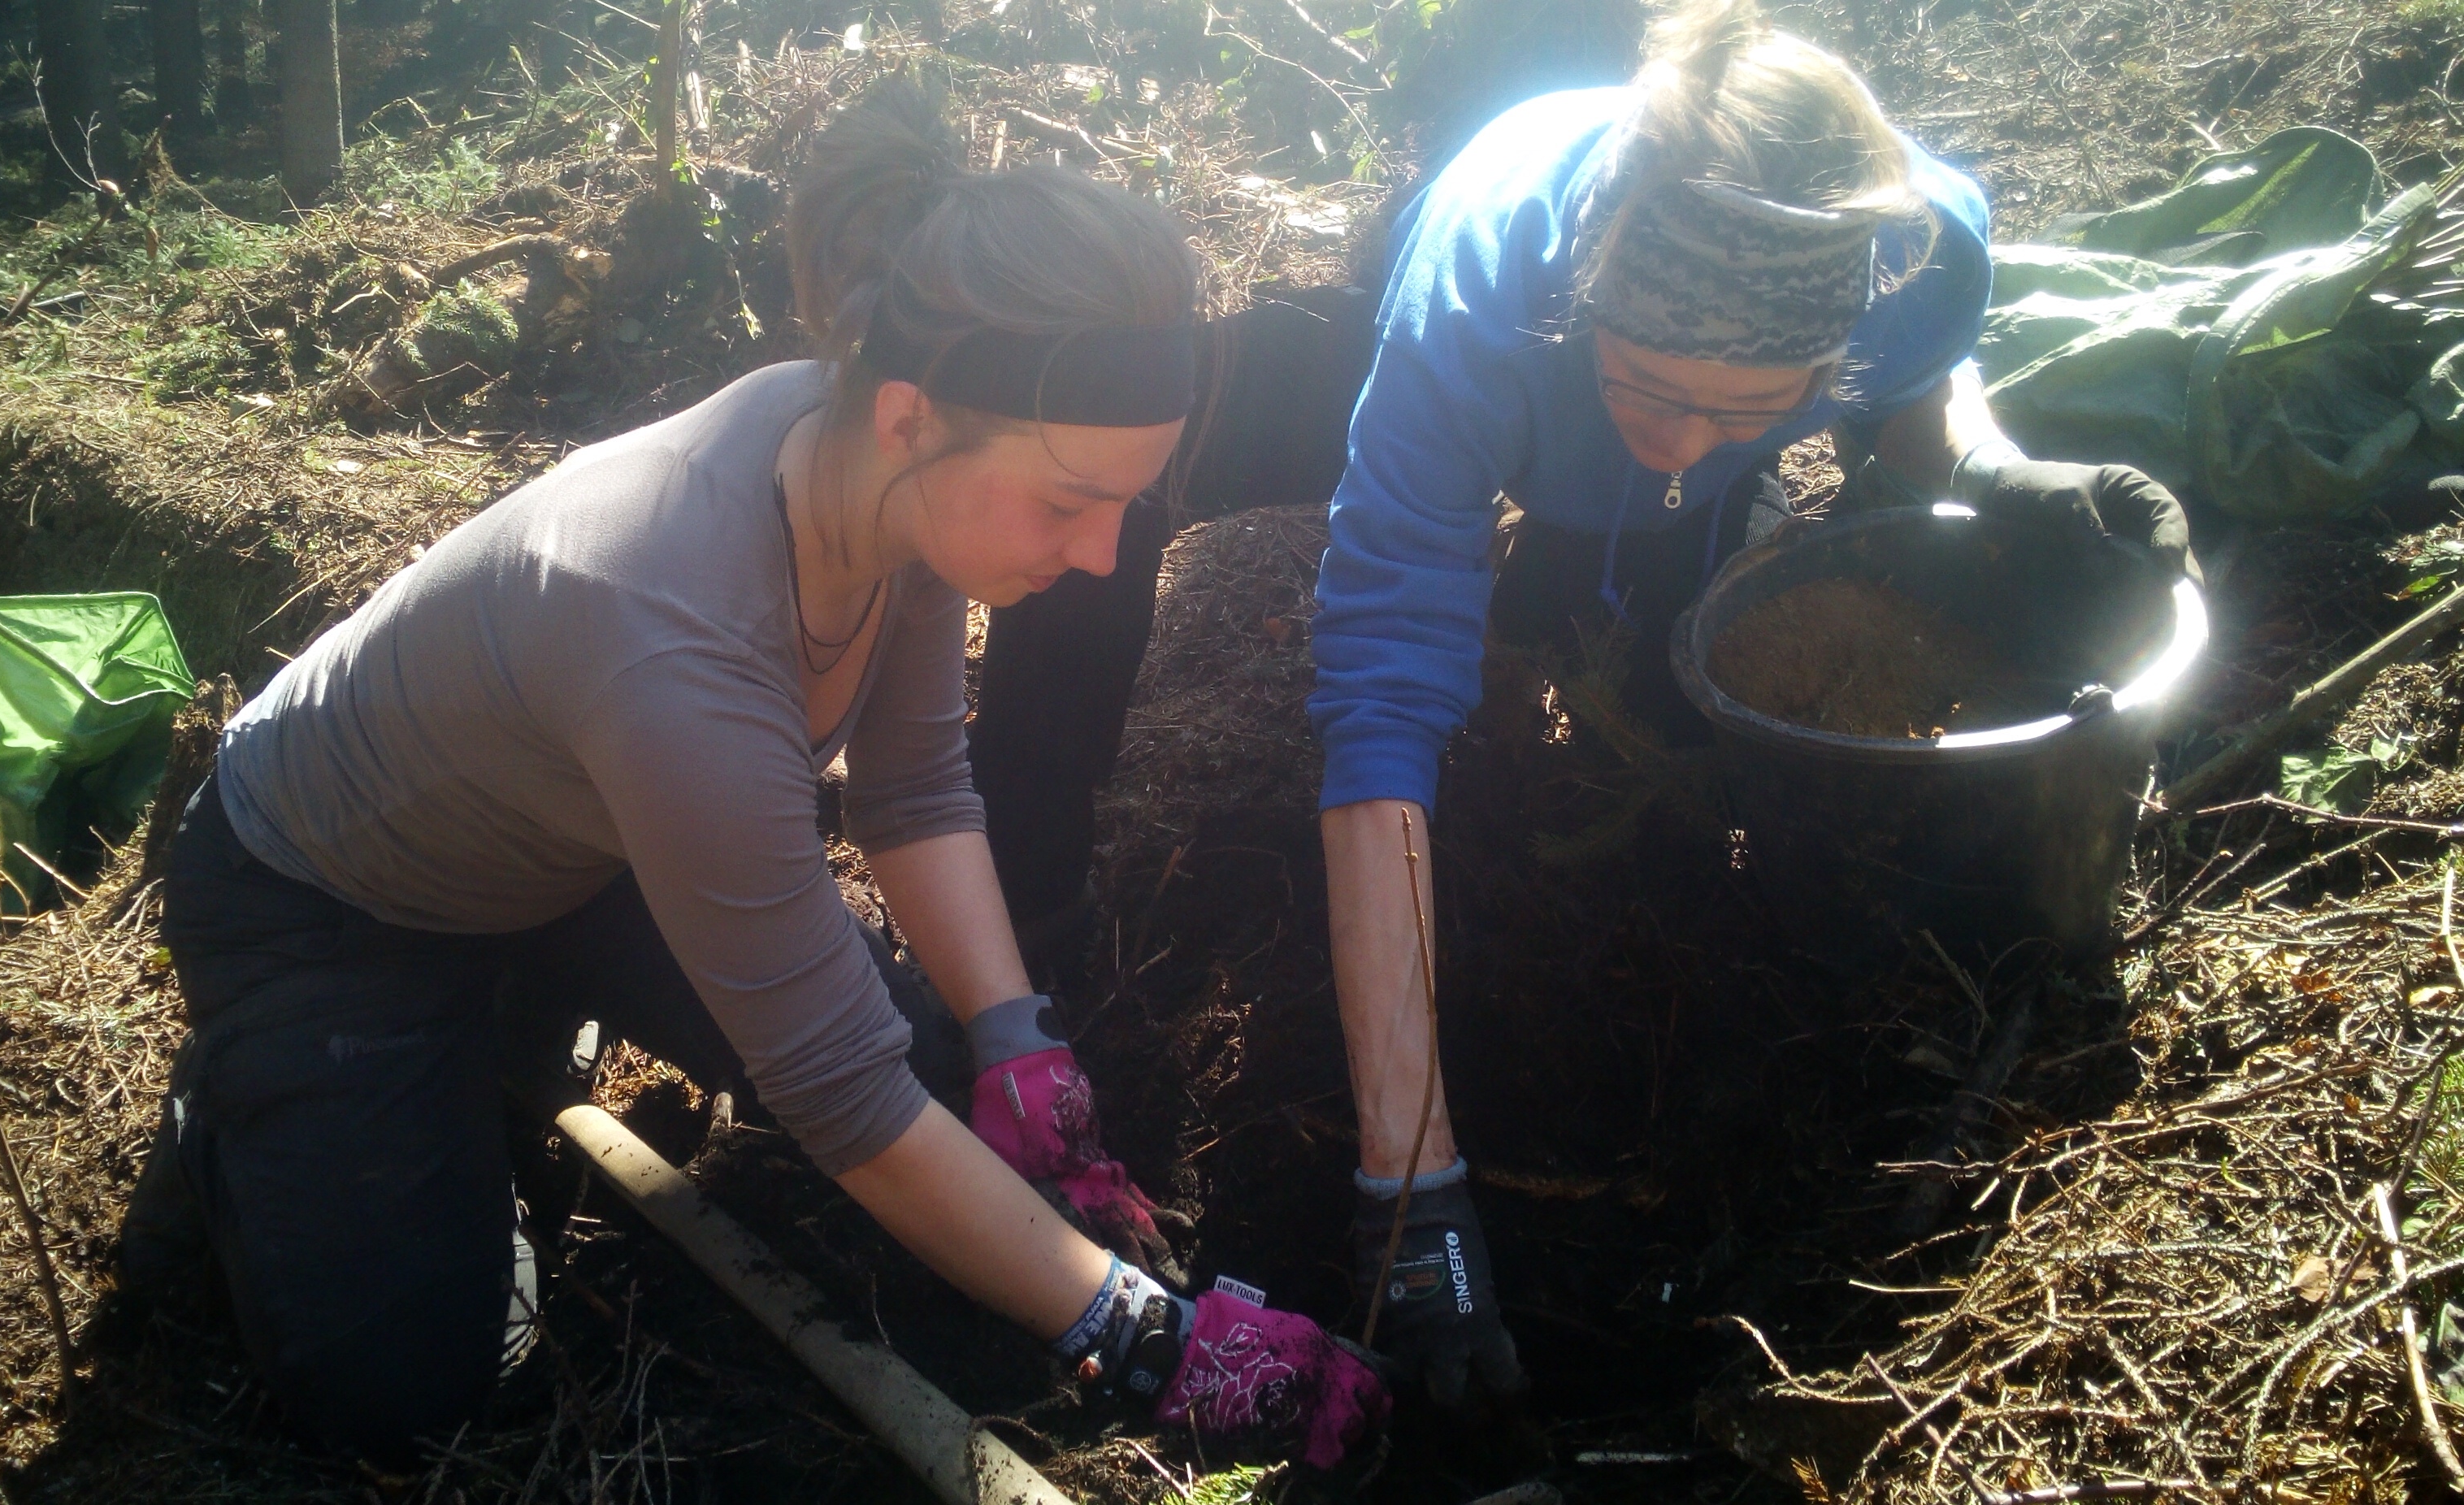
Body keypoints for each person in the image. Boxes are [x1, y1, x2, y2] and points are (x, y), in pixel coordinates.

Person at [120, 81, 1386, 1472]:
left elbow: (912, 795)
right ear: (909, 417)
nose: (1097, 555)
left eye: (1124, 507)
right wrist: (1143, 1339)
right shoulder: (671, 639)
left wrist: (1016, 1037)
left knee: (949, 1069)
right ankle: (246, 1106)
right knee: (409, 1389)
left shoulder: (860, 468)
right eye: (1067, 501)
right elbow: (842, 1101)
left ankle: (519, 1011)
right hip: (327, 900)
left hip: (579, 848)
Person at [970, 0, 2197, 1418]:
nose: (1680, 435)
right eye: (1652, 386)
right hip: (1465, 347)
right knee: (1124, 504)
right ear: (1591, 320)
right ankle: (1028, 914)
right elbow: (1375, 716)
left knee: (1634, 630)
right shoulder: (1475, 317)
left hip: (1605, 433)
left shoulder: (1921, 246)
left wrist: (1991, 470)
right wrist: (1409, 1186)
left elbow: (1914, 396)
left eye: (1746, 404)